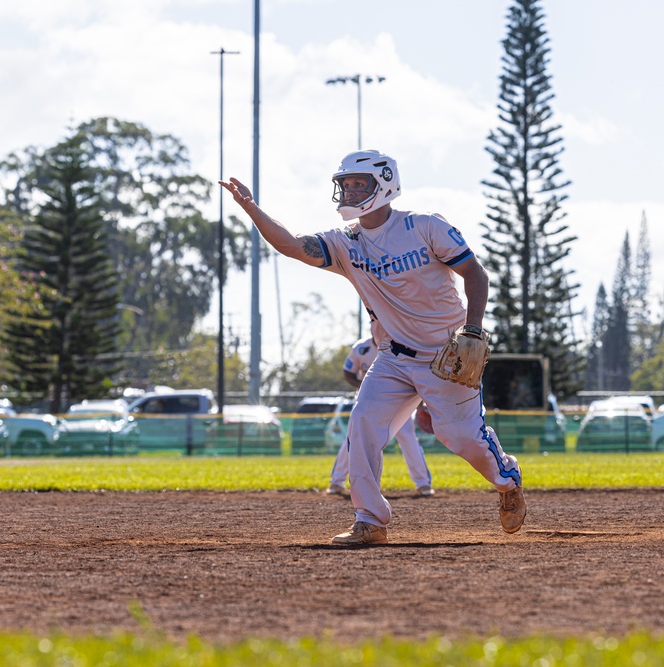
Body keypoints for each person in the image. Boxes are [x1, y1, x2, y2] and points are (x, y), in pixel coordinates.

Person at [220, 149, 525, 546]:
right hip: (394, 356)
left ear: (384, 183)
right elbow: (294, 246)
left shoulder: (425, 226)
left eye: (357, 183)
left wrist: (473, 330)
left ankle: (507, 480)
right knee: (363, 423)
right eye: (344, 184)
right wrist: (252, 208)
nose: (348, 191)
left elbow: (475, 274)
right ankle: (370, 520)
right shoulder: (346, 242)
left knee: (460, 438)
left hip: (447, 356)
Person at [327, 320, 435, 498]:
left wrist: (421, 404)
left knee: (407, 438)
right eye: (374, 322)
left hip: (399, 402)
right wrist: (363, 386)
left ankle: (423, 483)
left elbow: (414, 376)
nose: (378, 326)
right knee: (354, 438)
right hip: (367, 402)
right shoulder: (361, 348)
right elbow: (348, 372)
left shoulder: (400, 346)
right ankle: (336, 482)